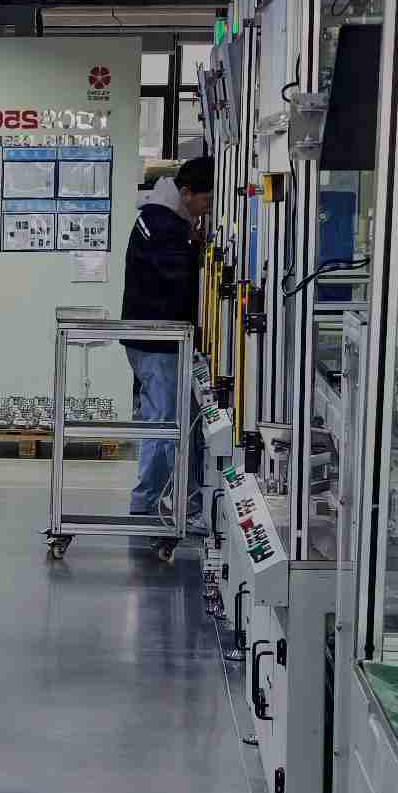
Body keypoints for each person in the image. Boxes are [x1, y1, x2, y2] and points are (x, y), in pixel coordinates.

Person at [119, 151, 214, 524]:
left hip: (152, 339)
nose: (207, 209)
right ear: (186, 192)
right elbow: (179, 280)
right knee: (164, 422)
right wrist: (198, 253)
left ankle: (166, 499)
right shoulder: (163, 225)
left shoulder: (162, 218)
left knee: (164, 419)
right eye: (206, 200)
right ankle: (151, 501)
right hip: (156, 341)